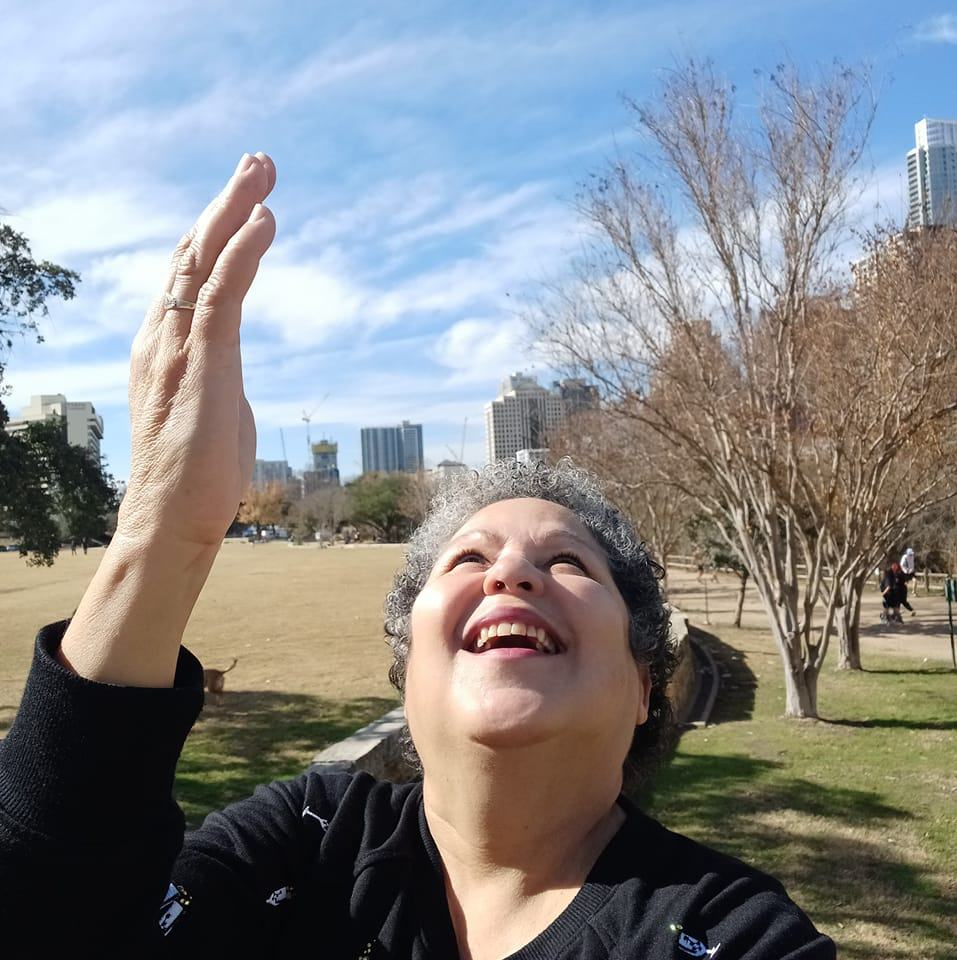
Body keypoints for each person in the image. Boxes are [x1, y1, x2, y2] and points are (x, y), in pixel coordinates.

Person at [0, 155, 833, 958]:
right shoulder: (306, 847)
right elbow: (50, 917)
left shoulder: (733, 936)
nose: (511, 574)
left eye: (570, 563)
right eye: (468, 558)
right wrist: (167, 526)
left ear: (645, 682)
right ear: (407, 667)